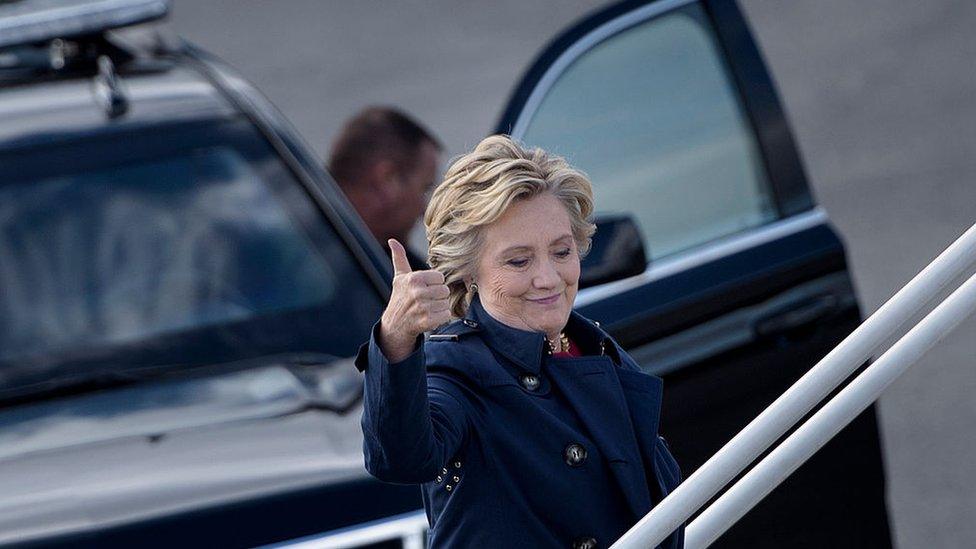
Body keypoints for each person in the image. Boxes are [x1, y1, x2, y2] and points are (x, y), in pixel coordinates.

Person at [355, 135, 684, 548]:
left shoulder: (596, 349)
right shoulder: (455, 369)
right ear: (468, 270)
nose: (548, 278)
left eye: (562, 252)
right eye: (519, 261)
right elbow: (401, 457)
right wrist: (396, 335)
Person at [328, 106, 442, 270]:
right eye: (424, 189)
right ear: (387, 179)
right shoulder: (349, 274)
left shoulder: (306, 239)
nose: (424, 210)